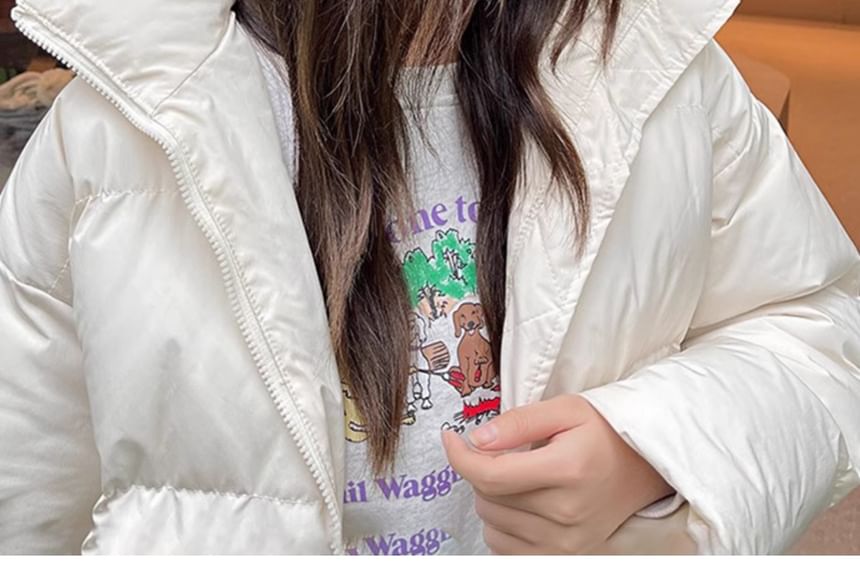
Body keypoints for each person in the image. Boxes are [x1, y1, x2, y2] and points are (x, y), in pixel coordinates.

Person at [0, 0, 858, 556]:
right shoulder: (120, 125)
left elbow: (822, 333)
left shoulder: (659, 73)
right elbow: (29, 485)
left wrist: (654, 447)